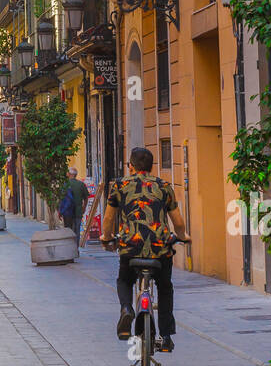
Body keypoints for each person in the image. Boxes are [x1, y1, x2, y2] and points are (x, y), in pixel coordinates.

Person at [100, 146, 187, 352]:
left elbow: (109, 219)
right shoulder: (164, 186)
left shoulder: (120, 186)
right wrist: (183, 237)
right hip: (160, 248)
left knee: (124, 279)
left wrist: (106, 237)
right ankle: (165, 336)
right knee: (165, 287)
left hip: (130, 247)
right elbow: (179, 223)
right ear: (151, 166)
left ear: (130, 166)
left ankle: (126, 308)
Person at [63, 167, 89, 251]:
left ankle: (69, 248)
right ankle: (75, 249)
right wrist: (84, 208)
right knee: (77, 230)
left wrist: (60, 211)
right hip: (78, 211)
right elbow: (86, 198)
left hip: (67, 212)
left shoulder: (65, 184)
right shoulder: (81, 184)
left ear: (69, 174)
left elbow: (61, 198)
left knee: (68, 230)